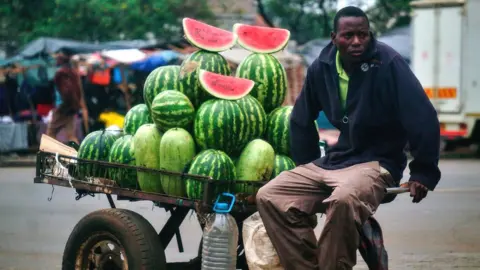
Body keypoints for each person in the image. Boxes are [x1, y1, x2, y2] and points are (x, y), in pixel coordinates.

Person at [256, 6, 441, 270]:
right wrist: (307, 165)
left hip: (378, 162)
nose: (356, 41)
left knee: (344, 199)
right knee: (270, 195)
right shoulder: (323, 66)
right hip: (337, 159)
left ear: (369, 35)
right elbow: (300, 118)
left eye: (362, 35)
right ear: (334, 38)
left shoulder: (387, 63)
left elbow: (422, 116)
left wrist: (422, 172)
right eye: (348, 35)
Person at [46, 53, 88, 144]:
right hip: (72, 106)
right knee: (71, 135)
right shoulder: (73, 73)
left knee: (51, 133)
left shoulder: (60, 73)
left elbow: (64, 91)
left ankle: (49, 154)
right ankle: (77, 155)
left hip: (62, 106)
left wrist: (63, 104)